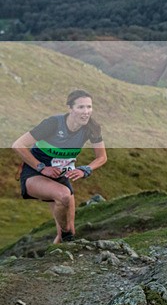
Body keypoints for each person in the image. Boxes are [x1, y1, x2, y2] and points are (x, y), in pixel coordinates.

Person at [12, 89, 107, 243]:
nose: (86, 112)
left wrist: (85, 169)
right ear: (70, 108)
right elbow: (18, 145)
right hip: (35, 173)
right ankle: (66, 234)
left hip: (61, 176)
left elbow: (102, 157)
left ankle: (56, 259)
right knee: (64, 197)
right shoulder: (53, 124)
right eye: (81, 107)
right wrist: (42, 167)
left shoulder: (92, 128)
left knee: (68, 231)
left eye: (89, 107)